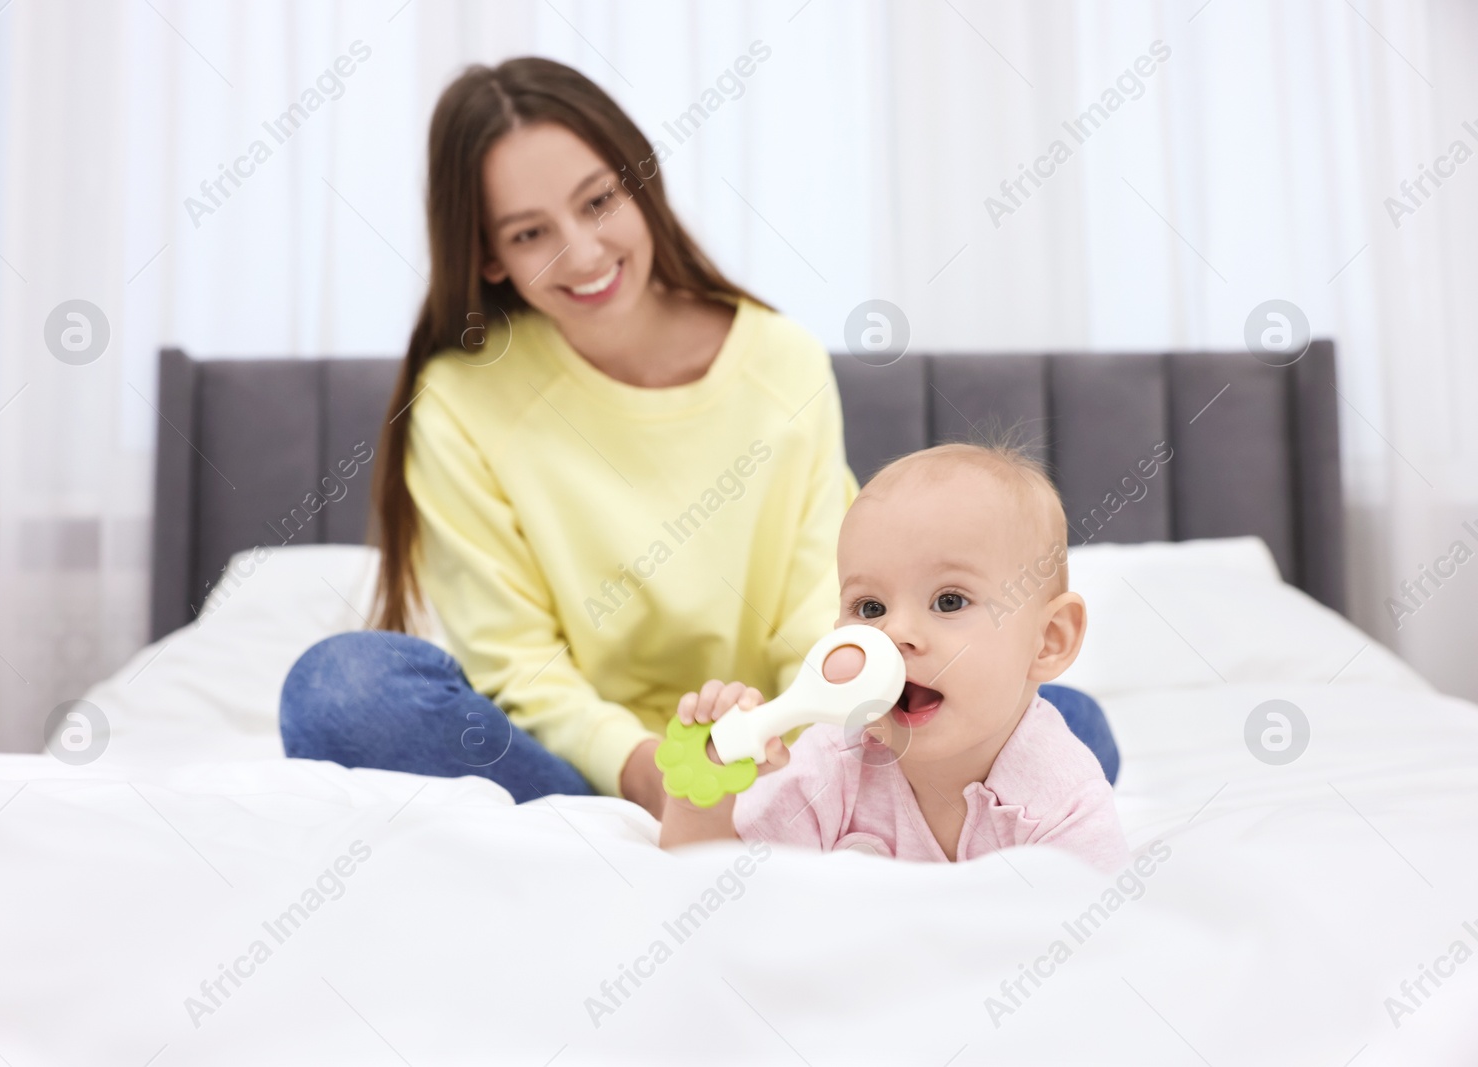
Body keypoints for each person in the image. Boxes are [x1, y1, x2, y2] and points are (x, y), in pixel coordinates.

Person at [278, 57, 1119, 819]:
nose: (582, 252)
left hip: (790, 746)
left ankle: (822, 817)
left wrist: (792, 742)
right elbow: (519, 666)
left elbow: (815, 610)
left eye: (598, 200)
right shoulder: (461, 400)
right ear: (490, 256)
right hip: (582, 772)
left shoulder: (777, 360)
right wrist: (650, 771)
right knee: (343, 689)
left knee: (1067, 724)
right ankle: (665, 826)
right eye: (530, 232)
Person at [658, 442, 1129, 871]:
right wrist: (699, 802)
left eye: (949, 601)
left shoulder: (1062, 798)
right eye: (870, 608)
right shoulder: (830, 761)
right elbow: (723, 892)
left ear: (1048, 640)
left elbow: (1095, 943)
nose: (895, 632)